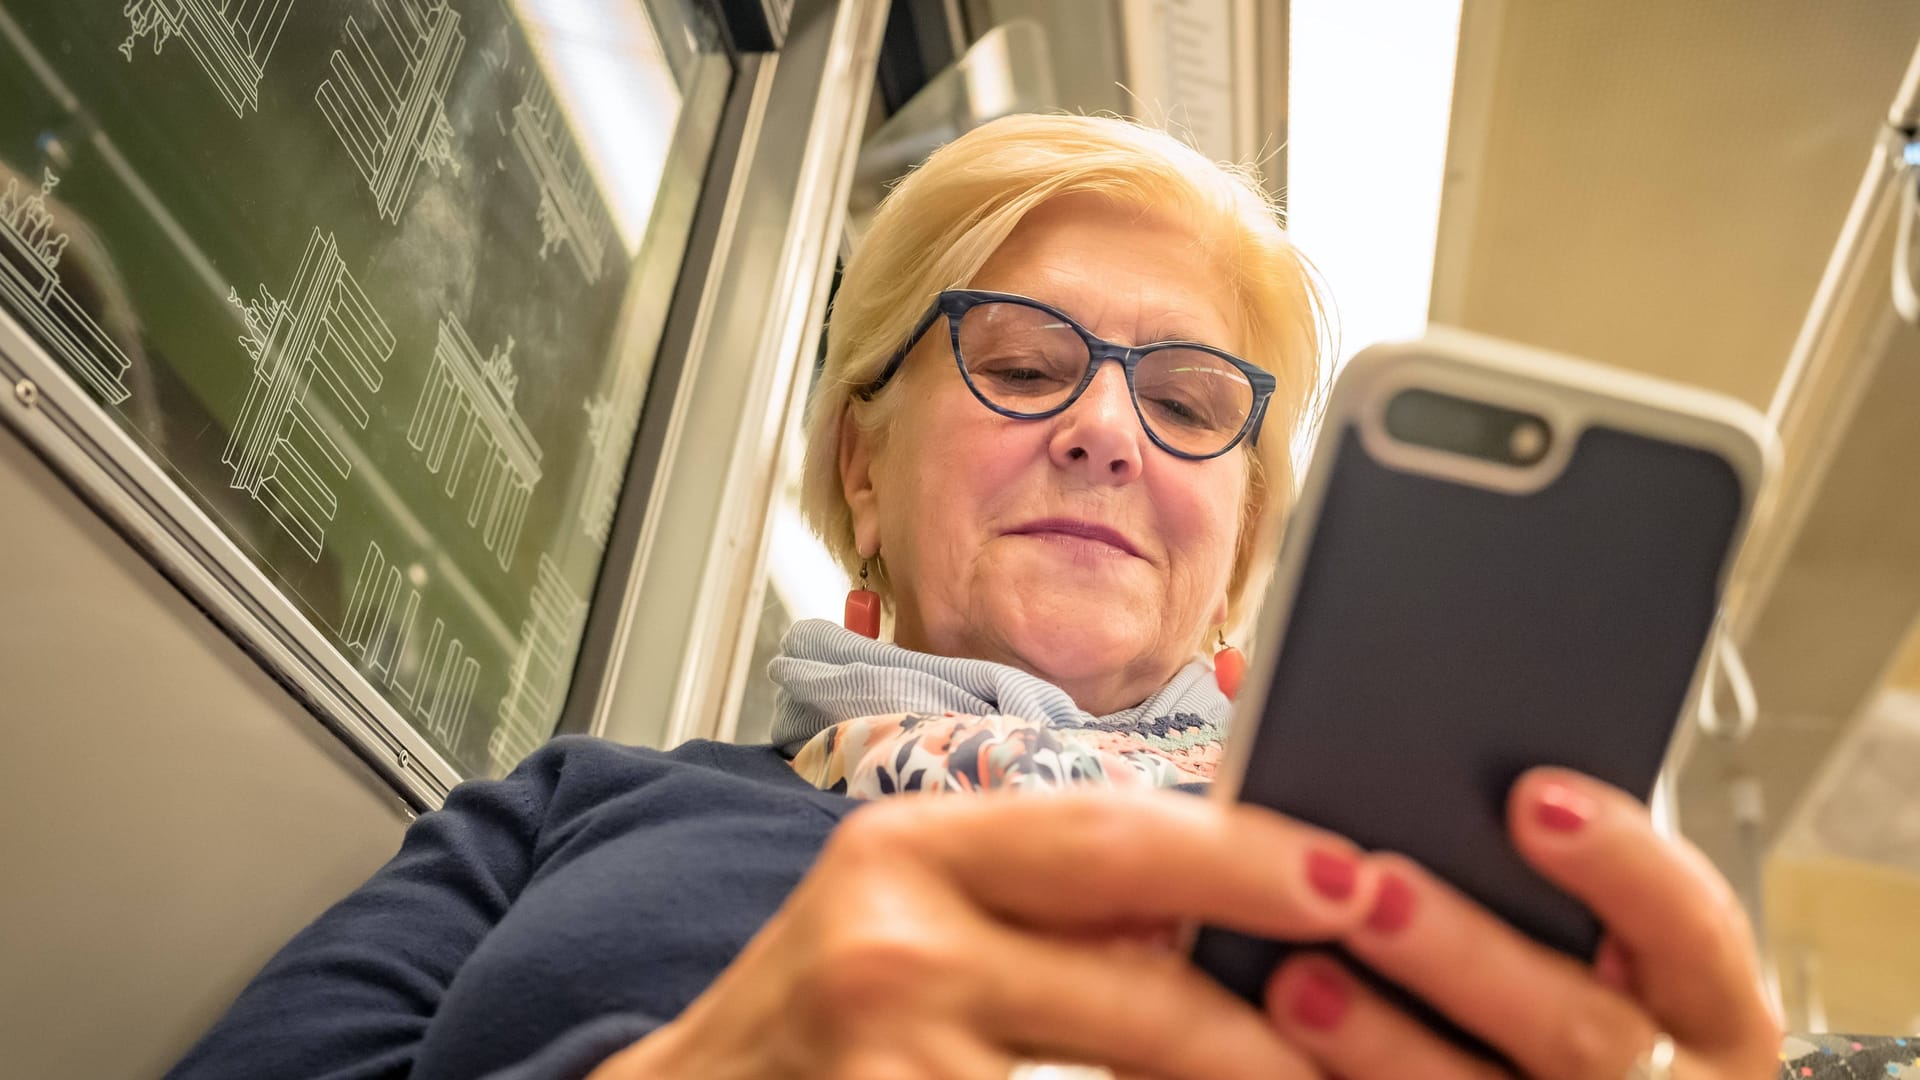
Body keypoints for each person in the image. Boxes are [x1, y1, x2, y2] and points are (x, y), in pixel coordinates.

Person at [166, 114, 1780, 1080]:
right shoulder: (572, 806)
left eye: (1194, 406)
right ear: (863, 464)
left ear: (1239, 544)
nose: (1100, 425)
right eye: (1020, 364)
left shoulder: (1395, 902)